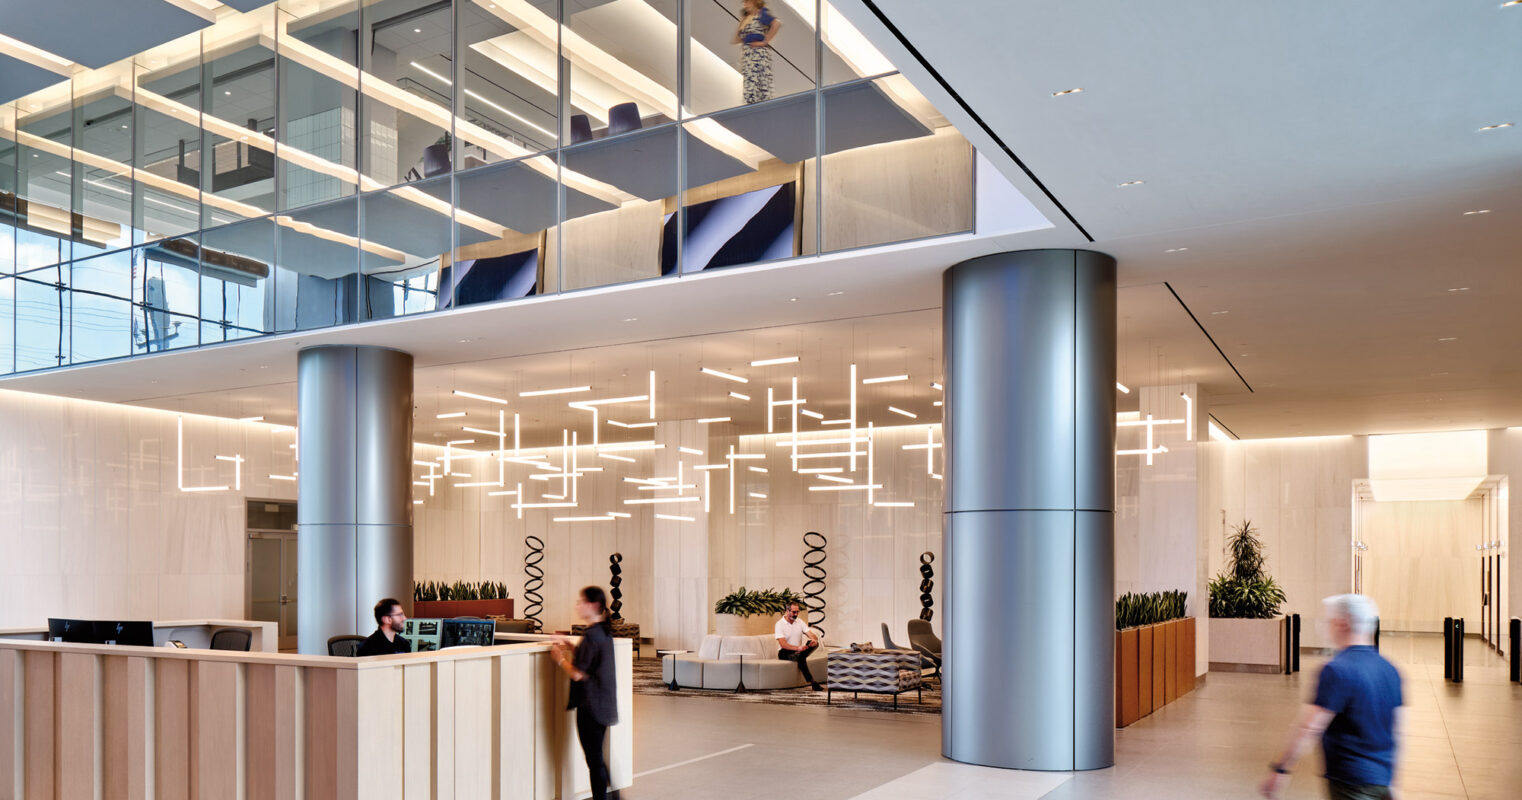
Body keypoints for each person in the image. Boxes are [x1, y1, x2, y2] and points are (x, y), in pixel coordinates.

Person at [1260, 594, 1402, 800]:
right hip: (1382, 779)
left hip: (1350, 782)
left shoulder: (1337, 670)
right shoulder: (1390, 669)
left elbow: (1309, 727)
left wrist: (1281, 769)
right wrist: (1393, 783)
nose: (1327, 627)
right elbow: (1397, 732)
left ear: (1342, 623)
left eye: (1330, 621)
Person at [552, 586, 619, 800]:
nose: (577, 606)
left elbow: (579, 674)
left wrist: (559, 658)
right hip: (604, 706)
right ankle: (614, 797)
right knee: (597, 757)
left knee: (594, 759)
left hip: (590, 707)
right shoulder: (603, 633)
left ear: (593, 605)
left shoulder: (592, 636)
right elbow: (590, 662)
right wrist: (572, 647)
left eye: (581, 602)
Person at [733, 0, 781, 105]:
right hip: (748, 54)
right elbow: (736, 40)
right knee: (750, 82)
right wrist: (741, 23)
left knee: (760, 80)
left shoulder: (761, 14)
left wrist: (765, 41)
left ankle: (762, 103)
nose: (745, 5)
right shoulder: (746, 18)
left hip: (758, 53)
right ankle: (751, 103)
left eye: (747, 2)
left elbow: (776, 24)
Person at [775, 600, 822, 690]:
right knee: (801, 656)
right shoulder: (779, 624)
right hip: (785, 652)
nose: (796, 614)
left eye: (797, 612)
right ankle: (812, 682)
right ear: (787, 611)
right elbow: (783, 644)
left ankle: (800, 655)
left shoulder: (800, 622)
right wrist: (798, 648)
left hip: (799, 651)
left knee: (815, 644)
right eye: (794, 612)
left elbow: (811, 634)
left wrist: (814, 639)